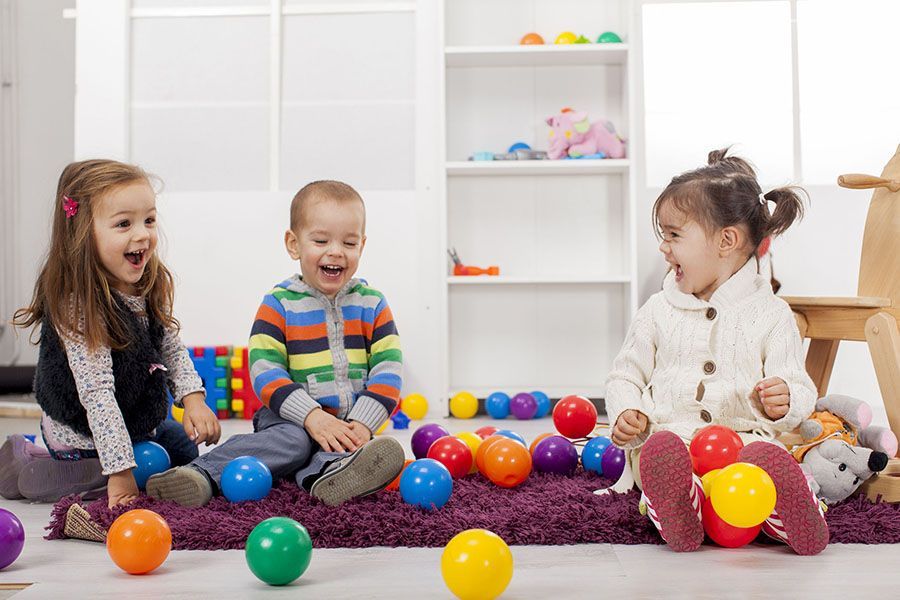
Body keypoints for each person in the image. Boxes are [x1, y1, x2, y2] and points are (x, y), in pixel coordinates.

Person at [605, 148, 827, 555]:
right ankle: (679, 505)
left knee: (761, 471)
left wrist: (785, 399)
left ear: (727, 240)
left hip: (745, 445)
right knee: (659, 462)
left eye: (673, 235)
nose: (663, 247)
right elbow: (626, 374)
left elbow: (799, 384)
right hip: (672, 441)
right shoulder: (658, 309)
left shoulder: (773, 315)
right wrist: (626, 411)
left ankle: (788, 515)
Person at [147, 180, 405, 507]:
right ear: (294, 244)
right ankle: (201, 474)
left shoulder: (373, 304)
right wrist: (311, 415)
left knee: (342, 446)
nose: (336, 251)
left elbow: (389, 369)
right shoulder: (279, 304)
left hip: (347, 420)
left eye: (349, 242)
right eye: (321, 240)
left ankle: (330, 475)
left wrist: (362, 424)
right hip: (287, 418)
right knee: (295, 443)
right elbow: (264, 370)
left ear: (362, 246)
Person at [2, 159, 220, 508]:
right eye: (123, 224)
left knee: (183, 448)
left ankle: (134, 465)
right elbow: (97, 396)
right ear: (83, 235)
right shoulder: (79, 307)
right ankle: (33, 461)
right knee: (118, 477)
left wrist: (193, 398)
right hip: (81, 433)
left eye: (149, 220)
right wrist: (119, 472)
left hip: (134, 421)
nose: (143, 234)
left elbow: (169, 345)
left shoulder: (144, 283)